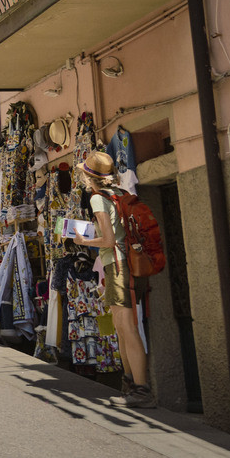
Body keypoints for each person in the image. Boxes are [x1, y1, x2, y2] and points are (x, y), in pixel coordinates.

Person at [73, 150, 155, 409]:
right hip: (129, 265)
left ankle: (141, 391)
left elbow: (108, 240)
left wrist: (84, 241)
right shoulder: (119, 194)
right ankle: (130, 386)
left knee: (127, 329)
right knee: (122, 327)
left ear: (90, 177)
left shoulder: (98, 199)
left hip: (119, 267)